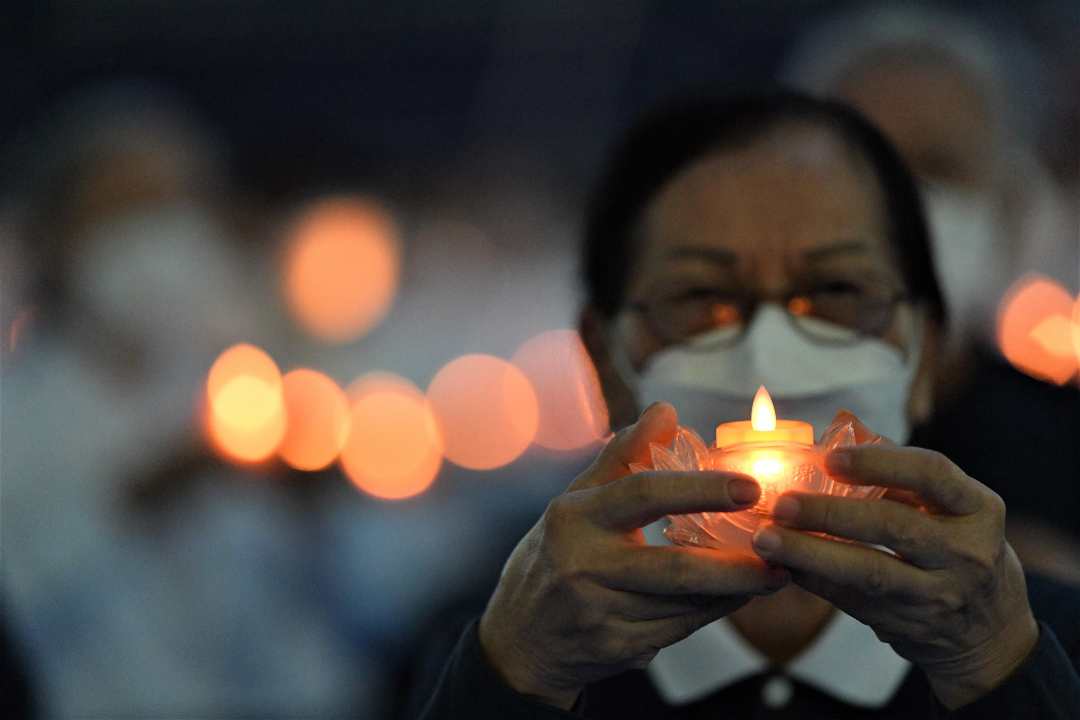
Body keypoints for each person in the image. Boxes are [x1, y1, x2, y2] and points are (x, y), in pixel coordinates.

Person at [411, 91, 1080, 718]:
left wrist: (1000, 672)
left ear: (926, 353)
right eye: (700, 296)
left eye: (837, 289)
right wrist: (518, 680)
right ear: (605, 360)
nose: (769, 355)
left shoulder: (1039, 646)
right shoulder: (501, 655)